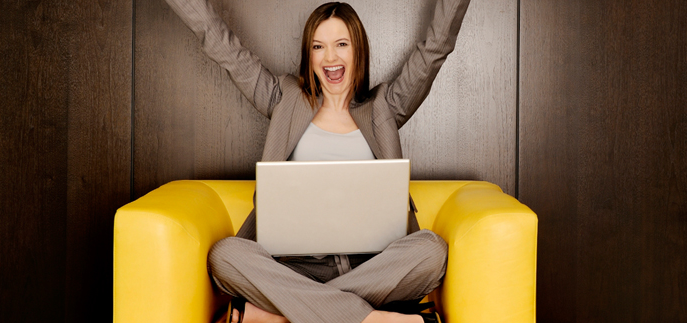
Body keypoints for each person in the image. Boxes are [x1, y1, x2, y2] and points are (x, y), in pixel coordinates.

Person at [163, 0, 471, 322]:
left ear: (358, 51)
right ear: (308, 56)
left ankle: (285, 316)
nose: (330, 57)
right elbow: (220, 42)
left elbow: (435, 49)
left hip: (368, 267)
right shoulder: (283, 98)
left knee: (431, 251)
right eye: (318, 46)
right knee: (225, 256)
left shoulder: (385, 107)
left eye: (341, 44)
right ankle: (370, 318)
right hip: (291, 267)